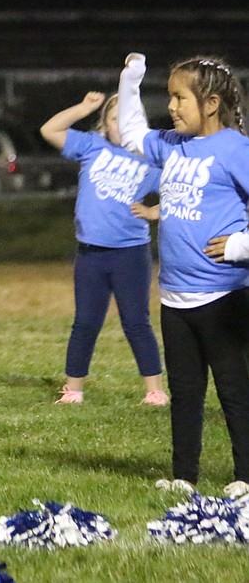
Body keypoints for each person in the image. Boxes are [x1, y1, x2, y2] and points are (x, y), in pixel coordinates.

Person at [118, 53, 249, 497]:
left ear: (211, 103)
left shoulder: (236, 149)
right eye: (169, 96)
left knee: (235, 393)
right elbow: (133, 134)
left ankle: (245, 476)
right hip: (174, 298)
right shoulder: (173, 143)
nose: (171, 106)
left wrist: (239, 246)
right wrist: (129, 80)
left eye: (180, 97)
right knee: (185, 393)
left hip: (224, 297)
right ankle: (183, 476)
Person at [39, 92, 166, 406]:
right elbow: (49, 130)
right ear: (105, 125)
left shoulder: (149, 158)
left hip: (130, 254)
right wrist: (83, 107)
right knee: (85, 322)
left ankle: (154, 390)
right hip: (91, 254)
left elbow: (185, 191)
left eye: (126, 120)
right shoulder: (92, 146)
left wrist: (154, 212)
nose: (119, 126)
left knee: (136, 321)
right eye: (113, 119)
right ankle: (74, 390)